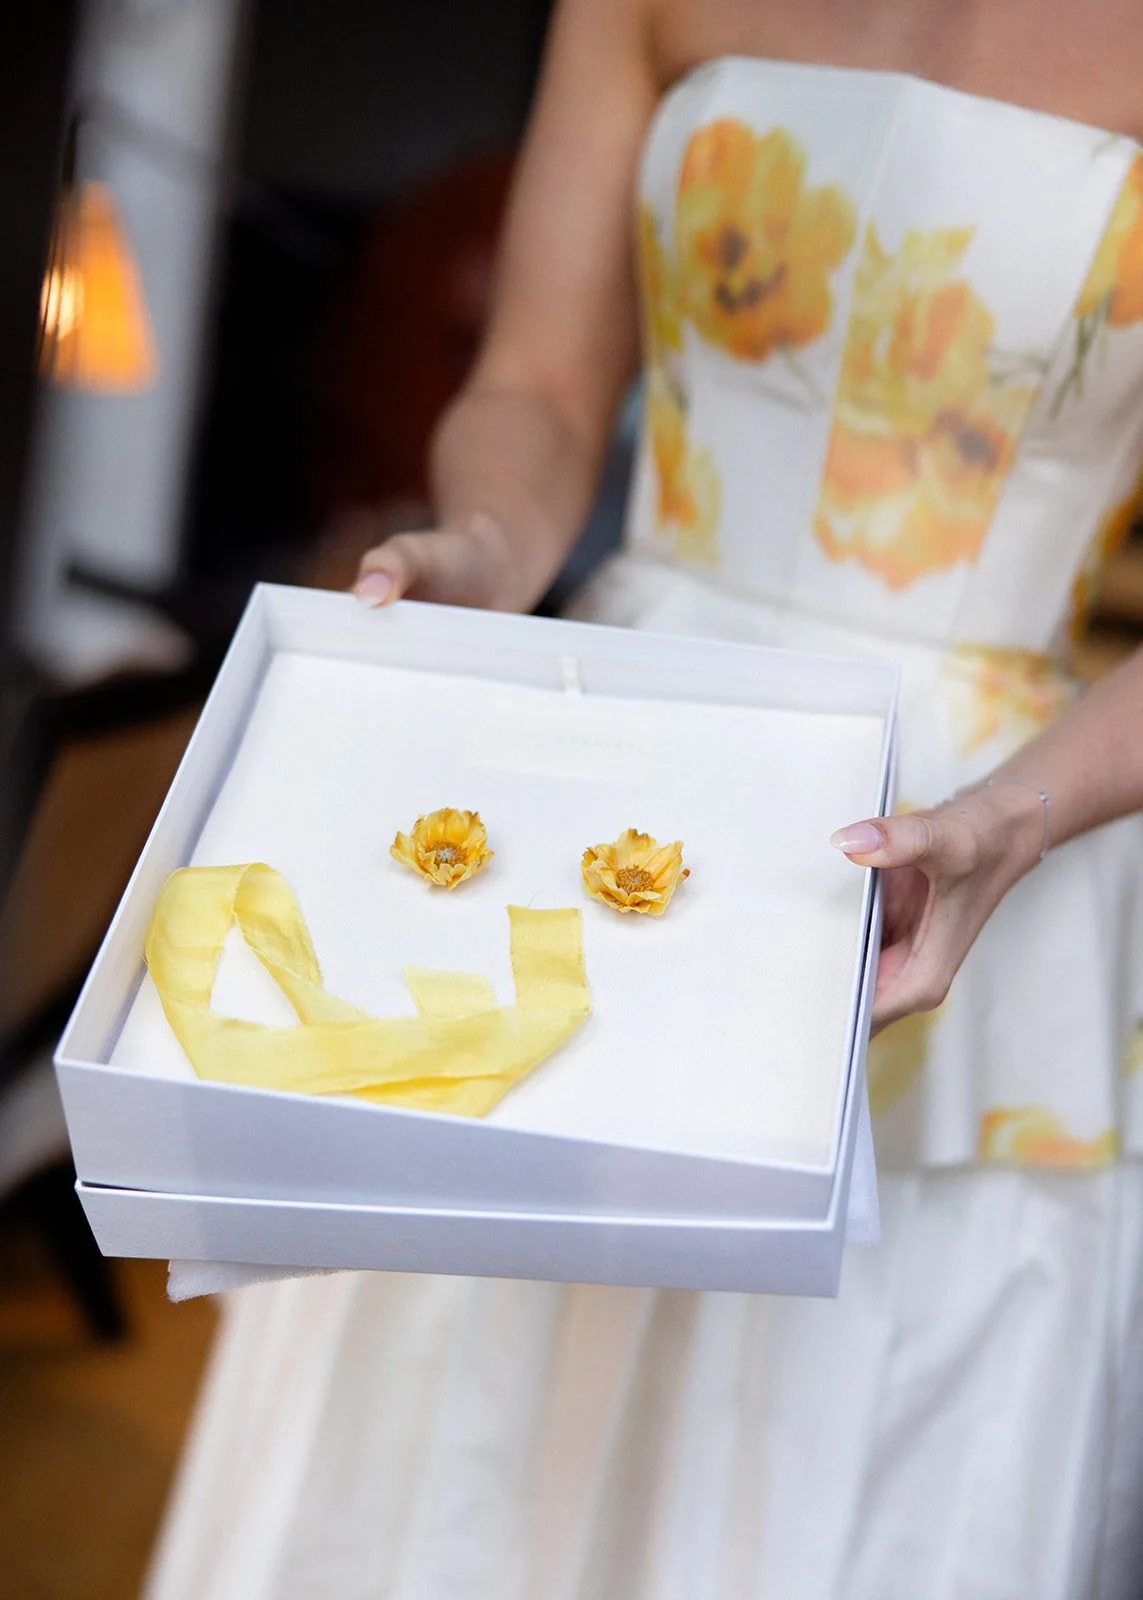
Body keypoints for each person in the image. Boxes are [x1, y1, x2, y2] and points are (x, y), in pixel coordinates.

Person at [146, 2, 1143, 1595]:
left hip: (993, 825)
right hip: (621, 762)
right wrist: (482, 550)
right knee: (468, 1445)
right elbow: (539, 386)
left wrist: (1018, 812)